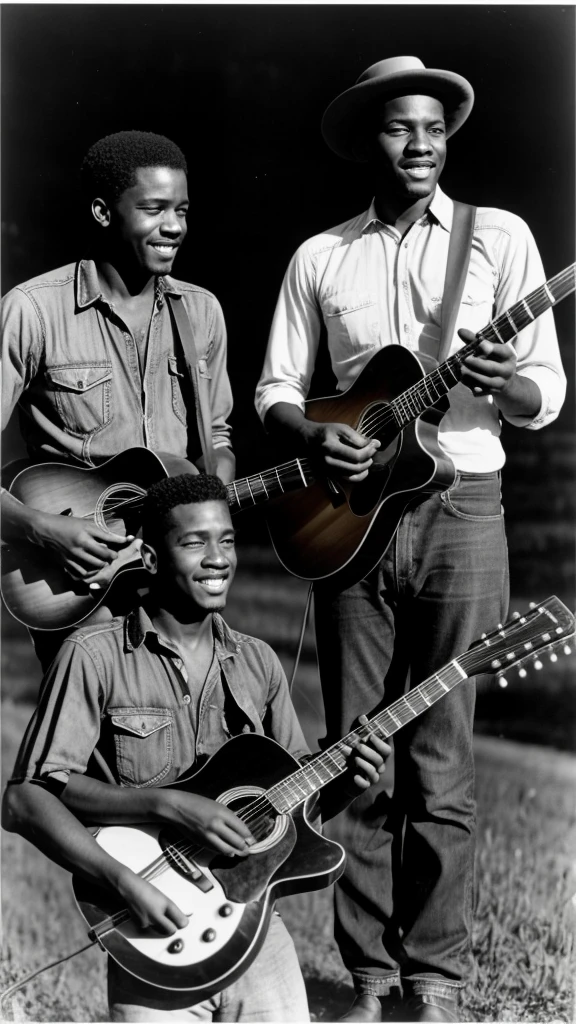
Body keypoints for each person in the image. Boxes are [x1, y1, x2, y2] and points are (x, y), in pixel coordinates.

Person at [255, 56, 566, 1023]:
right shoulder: (322, 258)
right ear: (369, 141)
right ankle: (367, 978)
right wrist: (316, 434)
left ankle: (431, 981)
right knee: (358, 751)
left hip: (465, 507)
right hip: (349, 521)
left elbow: (544, 397)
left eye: (434, 126)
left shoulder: (501, 239)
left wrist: (506, 377)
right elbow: (273, 391)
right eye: (400, 128)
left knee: (442, 757)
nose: (421, 143)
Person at [3, 472, 390, 1022]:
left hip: (255, 928)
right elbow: (24, 800)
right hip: (152, 929)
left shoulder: (258, 663)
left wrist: (348, 781)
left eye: (227, 540)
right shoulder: (93, 656)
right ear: (152, 558)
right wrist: (149, 841)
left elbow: (289, 814)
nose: (217, 558)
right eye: (194, 542)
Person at [1, 130, 235, 670]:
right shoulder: (31, 311)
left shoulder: (201, 314)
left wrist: (216, 482)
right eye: (153, 209)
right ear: (104, 212)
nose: (174, 226)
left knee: (187, 740)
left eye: (182, 209)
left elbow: (216, 435)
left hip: (177, 573)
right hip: (79, 582)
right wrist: (43, 529)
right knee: (97, 745)